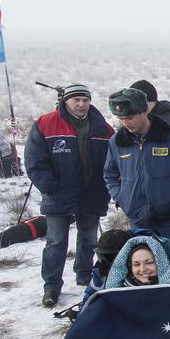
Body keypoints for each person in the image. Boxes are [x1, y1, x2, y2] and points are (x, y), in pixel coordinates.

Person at [24, 83, 114, 307]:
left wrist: (105, 188)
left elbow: (112, 161)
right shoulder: (46, 123)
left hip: (92, 193)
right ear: (66, 102)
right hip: (59, 194)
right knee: (55, 241)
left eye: (85, 100)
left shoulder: (103, 128)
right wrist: (49, 186)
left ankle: (84, 275)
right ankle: (51, 286)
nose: (81, 104)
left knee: (88, 239)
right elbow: (34, 160)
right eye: (76, 100)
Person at [102, 87, 170, 248]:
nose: (125, 123)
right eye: (121, 118)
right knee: (144, 263)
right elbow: (110, 175)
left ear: (144, 111)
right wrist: (121, 198)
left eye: (129, 117)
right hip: (137, 220)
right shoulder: (117, 142)